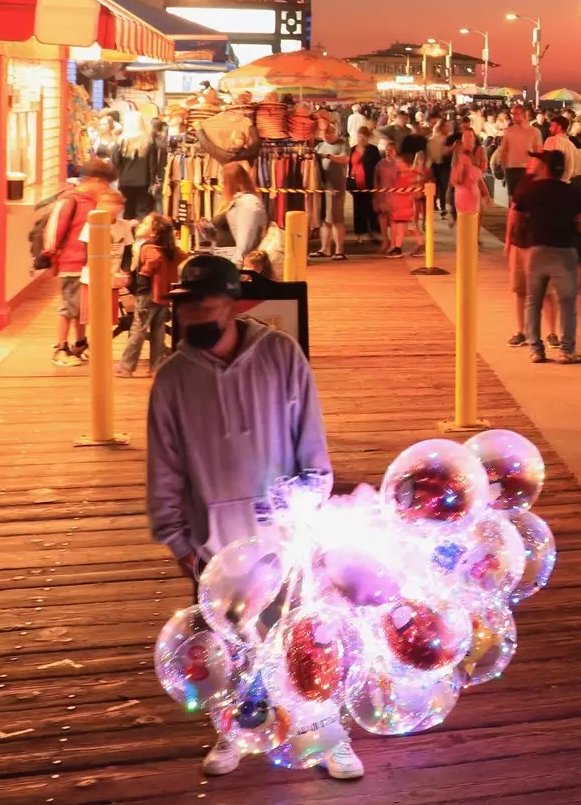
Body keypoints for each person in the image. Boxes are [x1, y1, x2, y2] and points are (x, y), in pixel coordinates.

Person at [144, 255, 358, 781]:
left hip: (286, 536)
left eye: (203, 304)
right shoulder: (172, 379)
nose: (191, 315)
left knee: (306, 635)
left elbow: (315, 458)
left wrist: (301, 501)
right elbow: (164, 467)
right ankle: (233, 728)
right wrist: (180, 543)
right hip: (214, 544)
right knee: (231, 644)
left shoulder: (282, 356)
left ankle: (327, 732)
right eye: (184, 305)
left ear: (233, 305)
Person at [506, 150, 581, 363]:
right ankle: (567, 351)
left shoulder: (530, 191)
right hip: (564, 252)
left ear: (545, 168)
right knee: (567, 303)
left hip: (536, 251)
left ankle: (536, 350)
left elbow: (514, 217)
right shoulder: (573, 193)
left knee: (533, 302)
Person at [42, 159, 125, 365]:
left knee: (83, 308)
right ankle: (60, 347)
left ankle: (79, 343)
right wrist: (50, 255)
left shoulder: (91, 201)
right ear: (95, 180)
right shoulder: (71, 200)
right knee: (69, 307)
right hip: (72, 263)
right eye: (105, 184)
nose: (106, 189)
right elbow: (55, 230)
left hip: (90, 266)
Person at [117, 213, 180, 376]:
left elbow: (153, 260)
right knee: (158, 330)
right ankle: (156, 366)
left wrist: (145, 272)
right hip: (164, 295)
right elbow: (182, 255)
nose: (140, 226)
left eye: (145, 224)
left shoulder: (148, 247)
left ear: (153, 233)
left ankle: (126, 366)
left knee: (138, 329)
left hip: (148, 294)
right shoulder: (170, 249)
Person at [215, 162, 269, 266]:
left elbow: (246, 239)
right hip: (225, 259)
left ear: (232, 183)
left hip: (234, 262)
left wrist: (236, 267)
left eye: (224, 182)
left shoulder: (248, 203)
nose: (221, 185)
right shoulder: (233, 201)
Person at [315, 115, 349, 260]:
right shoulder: (319, 145)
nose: (327, 135)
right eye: (325, 132)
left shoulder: (343, 144)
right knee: (325, 220)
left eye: (329, 132)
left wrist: (328, 156)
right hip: (322, 186)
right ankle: (325, 248)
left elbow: (345, 159)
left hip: (336, 187)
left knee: (336, 219)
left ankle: (339, 250)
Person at [495, 105, 540, 203]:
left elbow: (539, 153)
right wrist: (503, 166)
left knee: (527, 199)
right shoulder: (509, 132)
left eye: (516, 114)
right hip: (511, 169)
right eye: (512, 114)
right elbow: (503, 151)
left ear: (524, 115)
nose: (513, 116)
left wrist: (536, 170)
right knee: (512, 199)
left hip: (527, 170)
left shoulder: (534, 132)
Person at [450, 120, 488, 227]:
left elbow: (484, 167)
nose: (467, 139)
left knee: (479, 213)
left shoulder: (480, 150)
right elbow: (454, 171)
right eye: (465, 137)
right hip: (462, 187)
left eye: (470, 137)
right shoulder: (458, 150)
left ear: (475, 139)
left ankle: (476, 236)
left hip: (476, 184)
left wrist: (472, 165)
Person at [349, 124, 381, 245]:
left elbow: (378, 167)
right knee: (358, 209)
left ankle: (374, 232)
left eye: (364, 137)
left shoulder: (373, 150)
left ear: (368, 138)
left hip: (369, 183)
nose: (362, 139)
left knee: (372, 208)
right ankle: (360, 233)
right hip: (355, 184)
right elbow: (349, 165)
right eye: (360, 137)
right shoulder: (352, 150)